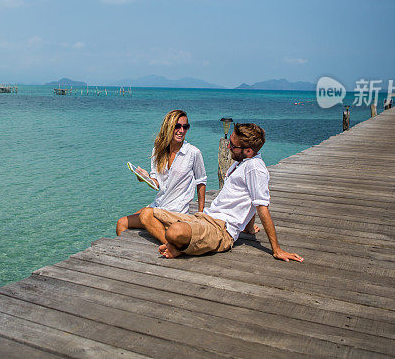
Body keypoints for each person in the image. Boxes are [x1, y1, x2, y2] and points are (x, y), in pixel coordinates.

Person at [138, 122, 302, 262]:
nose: (229, 147)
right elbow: (251, 200)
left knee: (175, 231)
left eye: (232, 145)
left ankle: (178, 246)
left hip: (221, 231)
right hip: (205, 218)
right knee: (146, 214)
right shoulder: (241, 163)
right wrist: (249, 228)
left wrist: (277, 249)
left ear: (249, 151)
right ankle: (177, 245)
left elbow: (261, 206)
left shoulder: (255, 169)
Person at [116, 109, 207, 236]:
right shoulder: (157, 150)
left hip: (176, 212)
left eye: (185, 127)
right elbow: (157, 184)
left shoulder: (193, 153)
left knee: (145, 216)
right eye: (177, 126)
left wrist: (201, 213)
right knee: (121, 223)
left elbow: (201, 181)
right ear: (168, 127)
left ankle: (171, 246)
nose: (181, 131)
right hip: (158, 206)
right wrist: (145, 178)